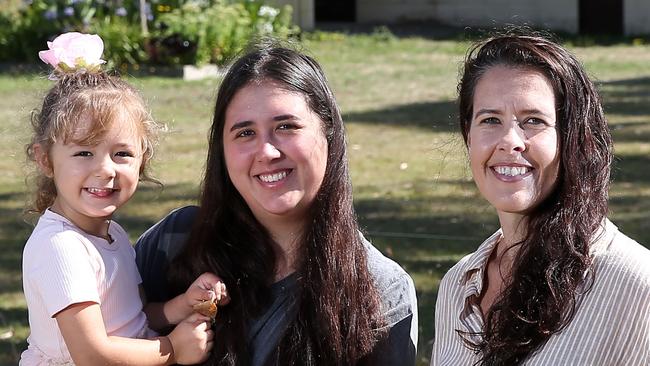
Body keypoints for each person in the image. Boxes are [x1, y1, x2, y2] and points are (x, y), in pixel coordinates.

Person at [135, 43, 418, 365]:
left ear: (328, 132)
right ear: (222, 150)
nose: (267, 152)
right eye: (245, 133)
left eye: (286, 127)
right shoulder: (174, 242)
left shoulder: (381, 290)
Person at [431, 31, 650, 365]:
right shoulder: (456, 289)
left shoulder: (636, 285)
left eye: (533, 121)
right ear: (468, 134)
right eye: (490, 120)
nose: (509, 141)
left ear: (573, 138)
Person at [21, 32, 226, 365]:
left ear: (142, 160)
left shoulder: (111, 235)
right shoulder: (60, 247)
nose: (105, 170)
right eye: (84, 152)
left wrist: (185, 304)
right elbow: (91, 354)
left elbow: (136, 319)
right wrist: (172, 349)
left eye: (121, 153)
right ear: (45, 159)